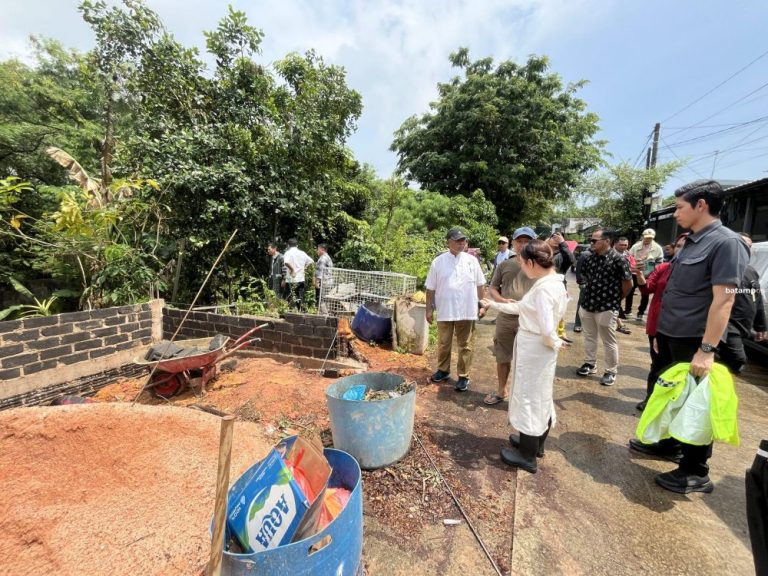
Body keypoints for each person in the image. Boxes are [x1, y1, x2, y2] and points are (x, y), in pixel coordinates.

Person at [629, 179, 749, 494]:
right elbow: (675, 291)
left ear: (701, 205)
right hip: (671, 334)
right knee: (671, 395)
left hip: (696, 340)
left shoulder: (726, 243)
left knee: (696, 403)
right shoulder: (693, 241)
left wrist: (707, 349)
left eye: (680, 207)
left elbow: (724, 301)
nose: (675, 213)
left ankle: (696, 471)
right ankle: (669, 444)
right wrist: (661, 332)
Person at [481, 239, 568, 474]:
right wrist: (493, 304)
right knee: (539, 395)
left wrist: (554, 341)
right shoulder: (552, 282)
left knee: (530, 397)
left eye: (521, 262)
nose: (521, 267)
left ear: (530, 262)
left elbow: (547, 329)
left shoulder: (544, 289)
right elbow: (522, 308)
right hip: (538, 348)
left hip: (536, 348)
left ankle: (527, 456)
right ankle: (535, 443)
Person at [426, 228, 487, 392]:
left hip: (467, 310)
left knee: (465, 345)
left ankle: (463, 376)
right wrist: (428, 309)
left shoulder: (472, 261)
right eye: (458, 241)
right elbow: (430, 287)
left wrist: (482, 304)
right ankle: (443, 370)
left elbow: (480, 285)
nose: (461, 243)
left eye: (463, 241)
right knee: (443, 343)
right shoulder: (438, 262)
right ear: (448, 242)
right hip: (445, 309)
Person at [634, 232, 688, 411]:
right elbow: (647, 289)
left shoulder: (702, 273)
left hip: (685, 328)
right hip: (658, 325)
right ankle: (651, 399)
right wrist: (639, 273)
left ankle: (673, 404)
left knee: (679, 368)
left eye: (687, 246)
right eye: (678, 246)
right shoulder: (664, 268)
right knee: (658, 364)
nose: (682, 250)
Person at [483, 227, 537, 405]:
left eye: (527, 241)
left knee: (527, 360)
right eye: (519, 241)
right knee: (503, 356)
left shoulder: (540, 265)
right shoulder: (505, 265)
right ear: (513, 243)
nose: (523, 245)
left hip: (529, 320)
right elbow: (493, 288)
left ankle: (522, 396)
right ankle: (501, 391)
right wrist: (502, 300)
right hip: (506, 318)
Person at [576, 229, 633, 386]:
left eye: (595, 240)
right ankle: (590, 363)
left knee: (608, 340)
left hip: (607, 306)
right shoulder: (590, 258)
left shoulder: (619, 260)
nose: (591, 243)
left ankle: (610, 371)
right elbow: (585, 276)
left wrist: (616, 300)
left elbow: (628, 284)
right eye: (591, 240)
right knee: (589, 336)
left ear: (607, 241)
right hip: (588, 304)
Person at [717, 233, 767, 374]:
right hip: (726, 326)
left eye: (749, 247)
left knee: (727, 360)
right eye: (743, 245)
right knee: (738, 359)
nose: (747, 249)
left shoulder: (751, 271)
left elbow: (757, 299)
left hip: (743, 327)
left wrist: (761, 327)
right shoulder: (719, 267)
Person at [626, 228, 664, 321]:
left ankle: (641, 312)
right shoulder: (635, 246)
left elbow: (660, 261)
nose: (648, 239)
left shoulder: (658, 248)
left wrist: (653, 269)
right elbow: (629, 257)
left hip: (648, 273)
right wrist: (633, 264)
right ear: (643, 237)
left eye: (650, 238)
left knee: (645, 293)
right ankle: (628, 311)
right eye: (646, 237)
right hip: (635, 271)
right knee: (630, 290)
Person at [547, 232, 574, 342]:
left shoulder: (562, 254)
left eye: (558, 238)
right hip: (543, 286)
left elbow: (571, 260)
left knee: (560, 311)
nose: (555, 239)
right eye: (553, 237)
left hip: (559, 287)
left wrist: (562, 243)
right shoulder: (543, 252)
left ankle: (560, 333)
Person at [283, 238, 314, 311]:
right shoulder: (302, 253)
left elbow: (286, 262)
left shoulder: (288, 252)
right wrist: (305, 268)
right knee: (300, 296)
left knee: (289, 296)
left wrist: (292, 269)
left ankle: (288, 311)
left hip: (291, 279)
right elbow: (311, 261)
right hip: (301, 278)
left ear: (288, 245)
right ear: (297, 245)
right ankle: (301, 311)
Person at [614, 237, 636, 335]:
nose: (623, 247)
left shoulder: (628, 255)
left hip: (624, 283)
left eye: (625, 245)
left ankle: (619, 324)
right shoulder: (609, 254)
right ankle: (620, 324)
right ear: (615, 244)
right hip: (612, 284)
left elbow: (633, 267)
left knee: (616, 304)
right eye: (621, 245)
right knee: (614, 304)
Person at [572, 246, 591, 333]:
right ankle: (578, 324)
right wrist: (581, 282)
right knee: (582, 303)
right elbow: (578, 269)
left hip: (598, 285)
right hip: (586, 284)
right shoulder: (585, 255)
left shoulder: (603, 255)